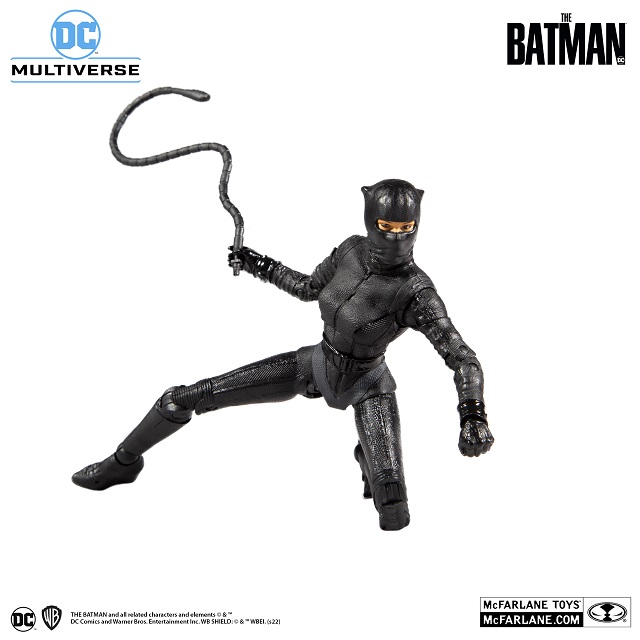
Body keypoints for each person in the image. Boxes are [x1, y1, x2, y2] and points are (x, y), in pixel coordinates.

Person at [72, 178, 493, 531]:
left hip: (368, 384)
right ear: (369, 218)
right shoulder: (350, 251)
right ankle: (122, 462)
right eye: (385, 226)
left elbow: (463, 358)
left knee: (394, 508)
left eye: (406, 228)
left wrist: (473, 415)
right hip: (316, 364)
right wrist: (257, 263)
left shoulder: (416, 291)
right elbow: (308, 287)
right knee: (183, 397)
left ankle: (370, 461)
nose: (395, 238)